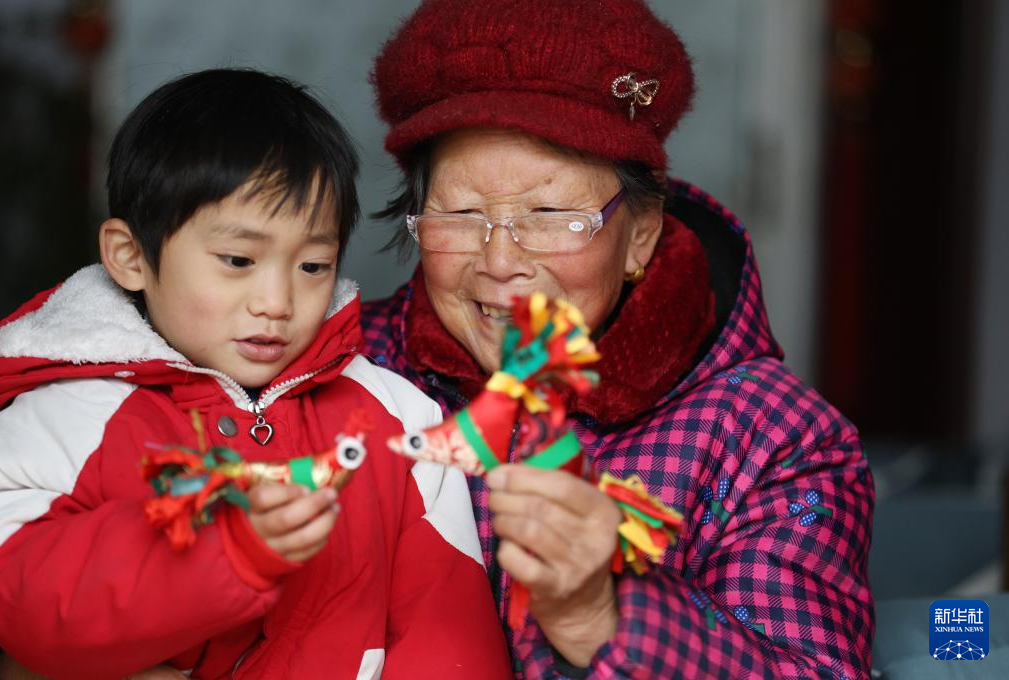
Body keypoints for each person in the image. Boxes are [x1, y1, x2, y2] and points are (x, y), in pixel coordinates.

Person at [362, 1, 875, 678]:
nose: (500, 261)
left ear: (640, 234)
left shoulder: (773, 439)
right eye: (460, 213)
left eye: (550, 214)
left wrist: (599, 616)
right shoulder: (341, 368)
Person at [0, 68, 510, 680]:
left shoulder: (397, 419)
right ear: (130, 257)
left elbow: (446, 632)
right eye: (238, 260)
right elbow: (19, 601)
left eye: (313, 266)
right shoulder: (62, 418)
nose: (276, 302)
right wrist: (222, 554)